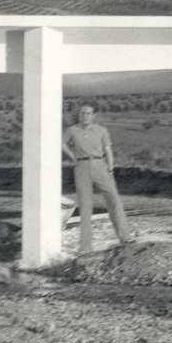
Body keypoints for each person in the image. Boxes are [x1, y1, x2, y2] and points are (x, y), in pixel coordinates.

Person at [62, 104, 135, 253]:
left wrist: (110, 168)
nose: (84, 116)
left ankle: (125, 236)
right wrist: (72, 157)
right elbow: (61, 143)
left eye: (87, 113)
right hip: (81, 167)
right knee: (85, 206)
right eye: (82, 113)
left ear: (93, 115)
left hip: (99, 165)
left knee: (114, 199)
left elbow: (108, 150)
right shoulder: (72, 130)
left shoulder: (102, 130)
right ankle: (85, 247)